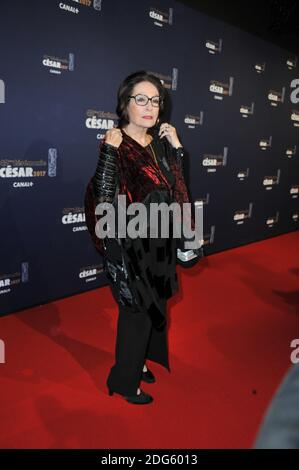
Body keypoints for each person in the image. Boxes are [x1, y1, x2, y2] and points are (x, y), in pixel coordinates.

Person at [84, 71, 203, 405]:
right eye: (141, 99)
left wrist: (178, 149)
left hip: (160, 242)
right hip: (131, 245)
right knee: (136, 314)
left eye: (155, 100)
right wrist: (107, 152)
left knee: (157, 305)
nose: (150, 107)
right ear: (126, 104)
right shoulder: (116, 143)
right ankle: (125, 379)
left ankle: (142, 362)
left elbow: (177, 190)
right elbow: (103, 199)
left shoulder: (160, 144)